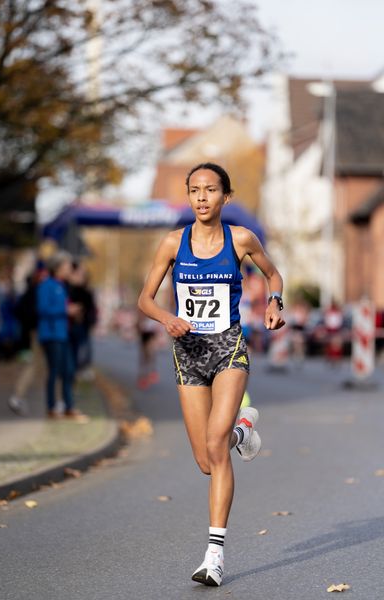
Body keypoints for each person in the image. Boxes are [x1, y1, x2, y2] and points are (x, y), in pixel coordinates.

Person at [138, 163, 285, 587]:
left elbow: (272, 273)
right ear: (189, 197)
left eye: (211, 190)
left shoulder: (240, 239)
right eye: (195, 190)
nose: (202, 197)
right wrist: (168, 318)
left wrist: (275, 302)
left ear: (226, 196)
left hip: (228, 349)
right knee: (206, 460)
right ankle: (244, 430)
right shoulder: (171, 243)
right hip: (188, 355)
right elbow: (145, 299)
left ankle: (214, 556)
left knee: (215, 445)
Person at [37, 251, 87, 420]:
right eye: (66, 266)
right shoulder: (46, 285)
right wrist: (65, 311)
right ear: (57, 268)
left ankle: (69, 407)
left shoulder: (62, 285)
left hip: (62, 334)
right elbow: (43, 309)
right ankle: (51, 407)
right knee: (54, 371)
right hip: (51, 334)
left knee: (69, 370)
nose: (69, 269)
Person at [8, 261, 48, 416]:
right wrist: (34, 323)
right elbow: (22, 311)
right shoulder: (36, 291)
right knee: (37, 365)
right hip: (39, 331)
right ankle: (18, 396)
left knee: (39, 365)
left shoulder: (33, 289)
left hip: (36, 330)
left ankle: (19, 396)